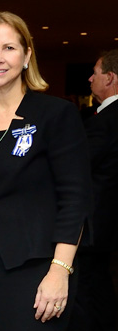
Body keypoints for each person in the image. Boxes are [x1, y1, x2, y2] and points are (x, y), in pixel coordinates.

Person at [0, 11, 91, 330]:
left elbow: (76, 199)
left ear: (27, 55)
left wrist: (60, 271)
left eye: (9, 48)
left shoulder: (55, 115)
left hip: (39, 268)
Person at [69, 49, 118, 330]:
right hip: (109, 222)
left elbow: (78, 167)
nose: (89, 79)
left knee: (88, 290)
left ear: (110, 78)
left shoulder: (105, 122)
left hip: (94, 222)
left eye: (95, 73)